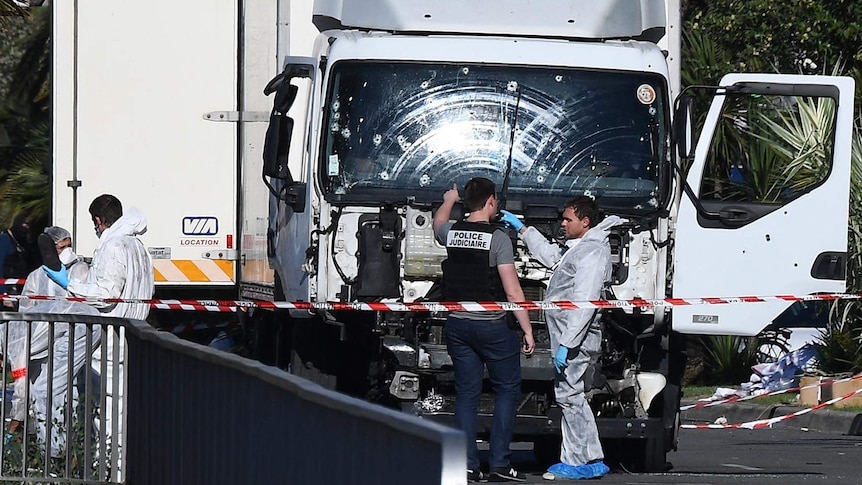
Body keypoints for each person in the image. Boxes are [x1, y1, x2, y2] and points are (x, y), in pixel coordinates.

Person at [500, 196, 625, 481]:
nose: (563, 224)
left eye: (568, 219)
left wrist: (568, 344)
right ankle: (584, 457)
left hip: (577, 339)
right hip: (570, 338)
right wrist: (523, 229)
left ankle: (580, 459)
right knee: (571, 396)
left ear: (586, 222)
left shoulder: (592, 253)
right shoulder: (580, 249)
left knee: (570, 396)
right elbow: (552, 257)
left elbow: (584, 302)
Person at [433, 177, 535, 483]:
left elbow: (438, 222)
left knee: (466, 395)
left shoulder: (452, 233)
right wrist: (527, 329)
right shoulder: (499, 238)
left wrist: (450, 199)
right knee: (506, 391)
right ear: (491, 201)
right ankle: (500, 464)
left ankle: (466, 464)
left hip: (458, 324)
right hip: (492, 326)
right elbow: (513, 292)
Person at [43, 194, 154, 472]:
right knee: (121, 406)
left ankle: (109, 470)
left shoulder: (115, 245)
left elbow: (105, 295)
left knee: (110, 408)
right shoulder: (137, 246)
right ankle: (113, 466)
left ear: (98, 220)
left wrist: (71, 285)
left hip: (113, 335)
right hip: (132, 331)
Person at [6, 226, 102, 457]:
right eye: (61, 247)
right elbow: (27, 316)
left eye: (68, 246)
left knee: (61, 394)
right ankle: (53, 453)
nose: (67, 251)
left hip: (72, 340)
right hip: (42, 344)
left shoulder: (81, 270)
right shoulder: (36, 276)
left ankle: (62, 454)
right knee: (44, 395)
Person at [0, 215, 31, 297]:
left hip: (20, 288)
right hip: (7, 289)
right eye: (25, 225)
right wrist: (3, 292)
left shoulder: (20, 241)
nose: (27, 228)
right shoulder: (4, 240)